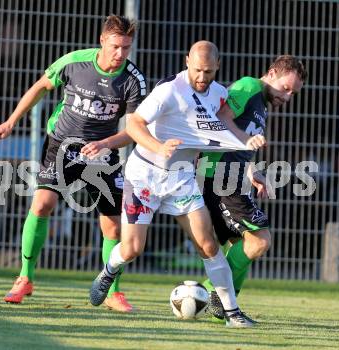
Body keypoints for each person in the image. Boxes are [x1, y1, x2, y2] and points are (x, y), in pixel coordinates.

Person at [89, 40, 266, 328]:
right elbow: (134, 125)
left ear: (217, 67)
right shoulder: (169, 91)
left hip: (180, 179)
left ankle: (232, 313)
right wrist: (157, 147)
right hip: (144, 175)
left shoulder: (220, 96)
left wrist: (249, 167)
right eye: (197, 70)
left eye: (208, 72)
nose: (201, 77)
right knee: (133, 248)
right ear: (187, 62)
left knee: (208, 244)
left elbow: (223, 137)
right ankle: (108, 271)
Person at [0, 15, 147, 312]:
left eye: (126, 47)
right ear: (102, 41)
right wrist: (10, 122)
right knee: (41, 204)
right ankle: (25, 278)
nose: (120, 54)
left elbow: (136, 129)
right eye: (115, 46)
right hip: (62, 146)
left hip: (102, 153)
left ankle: (112, 291)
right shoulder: (74, 62)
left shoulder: (133, 80)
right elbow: (40, 86)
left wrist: (105, 144)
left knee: (112, 227)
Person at [198, 55, 307, 320]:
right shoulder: (248, 86)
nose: (288, 96)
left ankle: (228, 306)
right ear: (271, 73)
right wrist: (247, 140)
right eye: (286, 88)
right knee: (260, 240)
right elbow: (222, 117)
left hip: (232, 176)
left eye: (293, 92)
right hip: (219, 176)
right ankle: (211, 292)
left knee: (241, 243)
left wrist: (251, 170)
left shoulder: (262, 103)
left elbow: (238, 142)